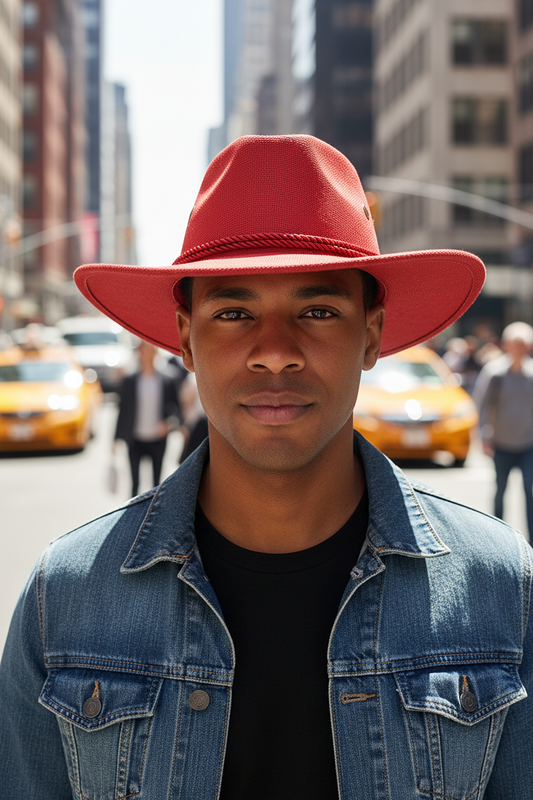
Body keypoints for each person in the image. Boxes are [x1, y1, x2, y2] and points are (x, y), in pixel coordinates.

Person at [1, 135, 531, 799]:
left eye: (316, 310)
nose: (274, 352)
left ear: (370, 335)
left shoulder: (502, 589)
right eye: (232, 312)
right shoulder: (65, 598)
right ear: (185, 337)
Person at [474, 321, 533, 539]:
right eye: (515, 344)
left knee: (530, 490)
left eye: (524, 344)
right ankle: (499, 538)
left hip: (528, 443)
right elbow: (481, 405)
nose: (519, 348)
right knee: (501, 491)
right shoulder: (495, 373)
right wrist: (483, 436)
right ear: (507, 345)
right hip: (501, 442)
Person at [114, 339, 179, 496]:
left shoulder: (167, 380)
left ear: (156, 352)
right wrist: (115, 438)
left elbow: (176, 409)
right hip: (135, 439)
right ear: (138, 353)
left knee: (157, 484)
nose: (148, 353)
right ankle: (133, 518)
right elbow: (123, 410)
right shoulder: (130, 381)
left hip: (158, 439)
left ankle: (153, 518)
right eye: (144, 349)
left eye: (151, 349)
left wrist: (169, 424)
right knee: (134, 483)